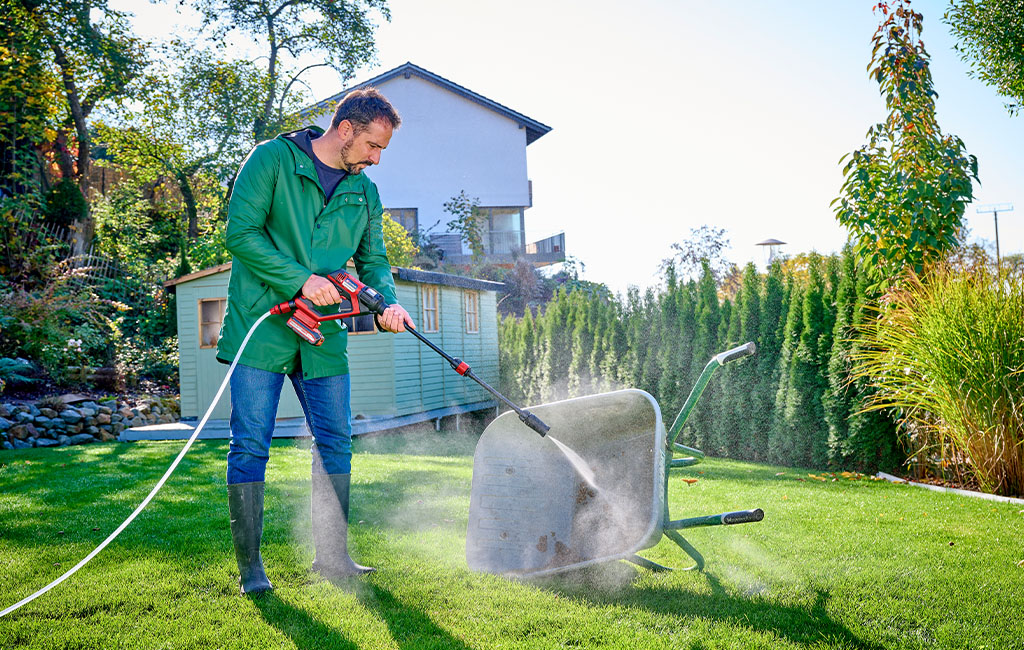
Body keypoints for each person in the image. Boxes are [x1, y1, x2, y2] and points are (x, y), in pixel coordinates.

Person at [216, 87, 414, 594]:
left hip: (322, 333)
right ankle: (251, 570)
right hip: (262, 325)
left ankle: (333, 557)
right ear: (345, 129)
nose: (375, 159)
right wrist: (300, 279)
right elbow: (240, 233)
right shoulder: (272, 160)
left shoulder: (363, 191)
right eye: (373, 146)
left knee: (335, 442)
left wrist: (386, 303)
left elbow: (373, 261)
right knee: (251, 445)